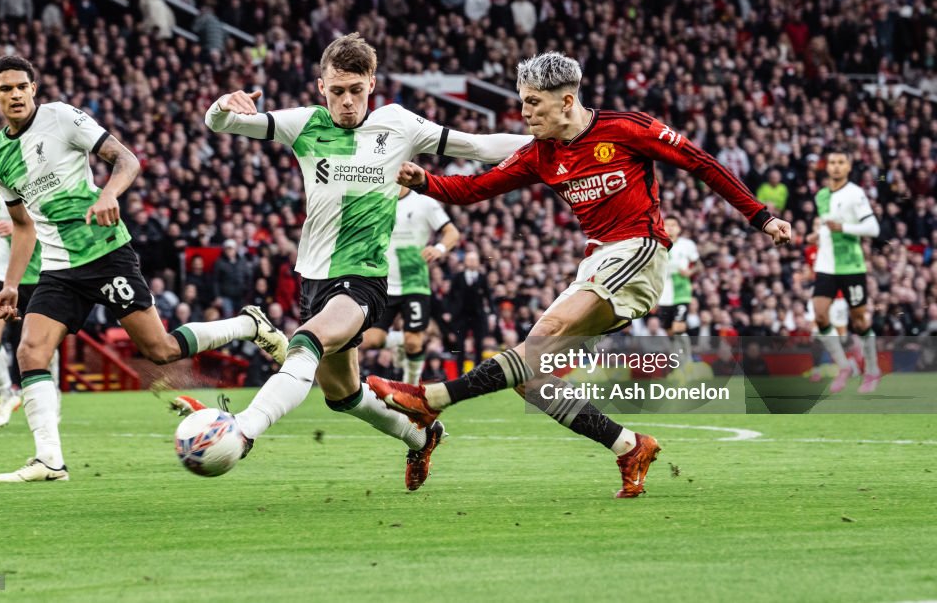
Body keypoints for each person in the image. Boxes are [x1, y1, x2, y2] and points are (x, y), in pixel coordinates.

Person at [370, 52, 792, 498]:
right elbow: (475, 189)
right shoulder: (541, 154)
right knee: (531, 377)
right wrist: (424, 181)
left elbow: (701, 162)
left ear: (566, 101)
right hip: (595, 264)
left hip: (639, 250)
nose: (525, 113)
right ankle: (629, 445)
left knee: (542, 336)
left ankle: (431, 399)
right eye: (523, 102)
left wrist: (761, 217)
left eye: (534, 103)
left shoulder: (627, 128)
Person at [175, 33, 532, 490]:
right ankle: (421, 438)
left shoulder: (398, 125)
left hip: (362, 278)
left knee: (306, 341)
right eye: (337, 90)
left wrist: (553, 139)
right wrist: (224, 104)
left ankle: (244, 430)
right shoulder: (305, 124)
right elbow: (219, 124)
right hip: (315, 280)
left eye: (356, 90)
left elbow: (478, 146)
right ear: (321, 87)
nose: (347, 102)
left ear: (372, 85)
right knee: (342, 395)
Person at [0, 55, 284, 483]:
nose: (15, 95)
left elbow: (127, 160)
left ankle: (248, 326)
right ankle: (50, 461)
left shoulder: (62, 117)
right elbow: (22, 226)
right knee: (30, 350)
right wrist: (11, 284)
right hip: (59, 266)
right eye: (6, 89)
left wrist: (108, 194)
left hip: (106, 252)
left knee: (159, 350)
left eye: (22, 86)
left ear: (34, 88)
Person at [360, 186, 460, 385]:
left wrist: (439, 248)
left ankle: (411, 387)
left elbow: (452, 233)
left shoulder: (424, 202)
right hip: (383, 283)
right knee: (371, 340)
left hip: (414, 283)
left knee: (414, 343)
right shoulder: (376, 200)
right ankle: (398, 341)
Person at [0, 170, 50, 427]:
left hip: (34, 271)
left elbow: (52, 221)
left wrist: (23, 224)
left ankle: (54, 397)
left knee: (43, 344)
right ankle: (7, 393)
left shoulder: (40, 178)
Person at [807, 149, 881, 393]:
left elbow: (872, 228)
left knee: (859, 321)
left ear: (848, 167)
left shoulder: (855, 194)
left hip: (851, 264)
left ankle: (872, 370)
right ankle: (843, 366)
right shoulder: (821, 196)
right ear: (826, 167)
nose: (836, 167)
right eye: (832, 163)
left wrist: (844, 227)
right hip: (826, 265)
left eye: (841, 162)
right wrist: (818, 235)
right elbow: (828, 225)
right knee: (819, 315)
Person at [656, 215, 700, 368]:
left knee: (678, 327)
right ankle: (678, 364)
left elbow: (699, 265)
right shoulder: (657, 245)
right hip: (663, 294)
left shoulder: (687, 245)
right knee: (670, 332)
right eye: (666, 225)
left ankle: (687, 362)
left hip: (681, 291)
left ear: (679, 228)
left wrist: (690, 272)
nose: (670, 228)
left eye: (673, 225)